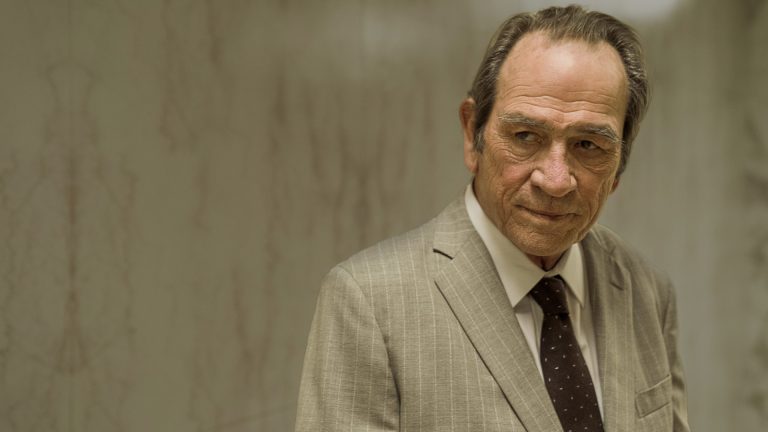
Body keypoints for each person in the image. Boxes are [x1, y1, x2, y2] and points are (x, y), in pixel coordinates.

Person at [295, 5, 689, 432]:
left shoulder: (647, 291)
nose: (555, 180)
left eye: (588, 145)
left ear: (618, 167)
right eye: (525, 136)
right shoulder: (368, 304)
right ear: (472, 135)